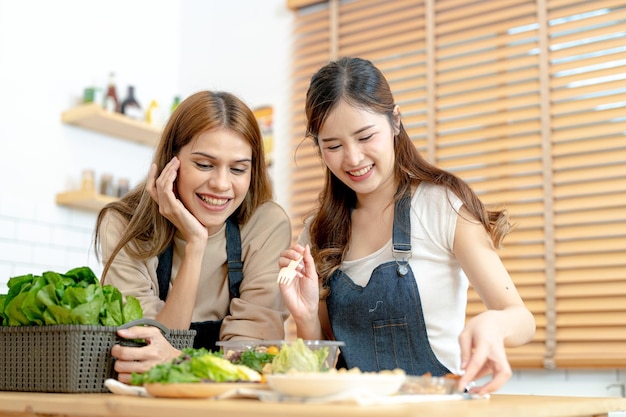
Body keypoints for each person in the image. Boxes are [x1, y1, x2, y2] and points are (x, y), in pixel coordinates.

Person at [278, 57, 536, 395]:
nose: (353, 158)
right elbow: (323, 373)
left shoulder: (442, 205)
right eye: (333, 146)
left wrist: (493, 323)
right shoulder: (319, 231)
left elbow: (521, 319)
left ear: (395, 121)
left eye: (365, 136)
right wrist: (306, 317)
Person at [94, 90, 291, 383]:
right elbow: (144, 353)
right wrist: (196, 243)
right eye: (204, 165)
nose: (221, 184)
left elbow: (254, 358)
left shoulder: (265, 224)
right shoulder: (124, 225)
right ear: (172, 162)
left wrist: (176, 359)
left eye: (238, 169)